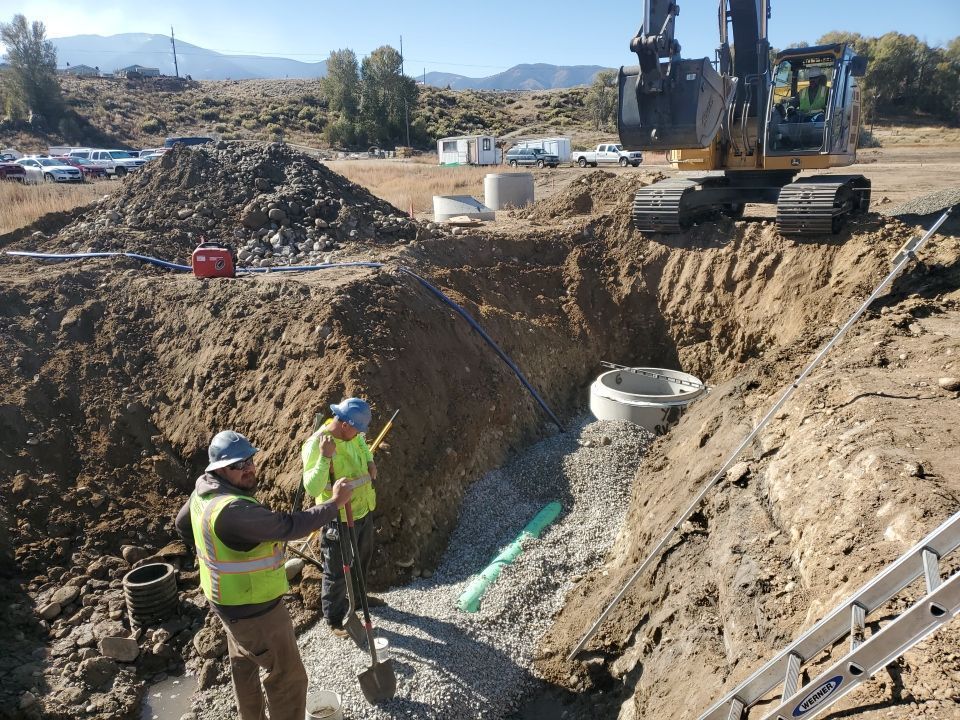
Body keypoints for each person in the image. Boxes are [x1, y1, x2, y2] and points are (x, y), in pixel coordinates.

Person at [175, 430, 354, 720]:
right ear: (218, 469)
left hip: (226, 603)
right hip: (256, 610)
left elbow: (183, 525)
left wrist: (215, 553)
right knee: (287, 679)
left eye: (249, 460)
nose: (248, 468)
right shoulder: (233, 510)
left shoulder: (203, 491)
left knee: (244, 667)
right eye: (238, 465)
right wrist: (334, 503)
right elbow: (290, 526)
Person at [301, 397, 382, 638]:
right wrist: (326, 457)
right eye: (357, 429)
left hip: (362, 509)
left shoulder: (352, 434)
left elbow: (363, 445)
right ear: (345, 424)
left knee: (362, 558)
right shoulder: (317, 444)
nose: (360, 434)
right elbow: (312, 488)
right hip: (338, 517)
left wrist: (369, 461)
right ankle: (335, 618)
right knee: (336, 569)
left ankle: (359, 598)